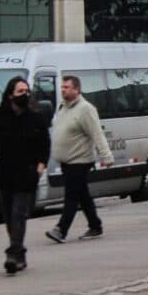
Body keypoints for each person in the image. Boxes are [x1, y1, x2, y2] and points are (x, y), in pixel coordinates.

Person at [0, 76, 50, 274]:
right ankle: (19, 254)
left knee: (18, 215)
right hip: (5, 175)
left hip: (27, 175)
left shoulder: (35, 118)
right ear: (11, 94)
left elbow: (44, 143)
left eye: (27, 91)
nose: (25, 95)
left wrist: (41, 164)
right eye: (20, 91)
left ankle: (12, 254)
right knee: (9, 218)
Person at [45, 75, 114, 244]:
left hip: (80, 160)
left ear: (77, 89)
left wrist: (107, 156)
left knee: (71, 195)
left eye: (67, 87)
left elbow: (97, 133)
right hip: (67, 161)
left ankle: (61, 230)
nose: (63, 90)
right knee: (82, 194)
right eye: (62, 87)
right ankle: (95, 225)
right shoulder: (63, 107)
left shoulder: (85, 109)